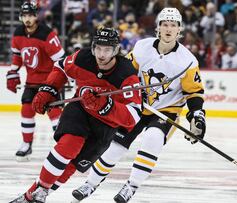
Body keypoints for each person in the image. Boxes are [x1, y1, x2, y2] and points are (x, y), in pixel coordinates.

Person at [71, 8, 206, 203]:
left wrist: (197, 116)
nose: (169, 29)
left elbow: (194, 92)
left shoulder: (187, 61)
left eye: (173, 25)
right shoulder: (142, 47)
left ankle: (131, 186)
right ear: (158, 28)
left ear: (179, 30)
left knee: (153, 138)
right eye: (165, 25)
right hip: (137, 105)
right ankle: (90, 184)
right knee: (115, 145)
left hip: (166, 111)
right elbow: (125, 72)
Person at [9, 27, 142, 203]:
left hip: (106, 125)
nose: (101, 55)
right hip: (81, 110)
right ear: (93, 47)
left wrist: (107, 106)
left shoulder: (127, 74)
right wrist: (49, 89)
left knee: (71, 166)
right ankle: (38, 193)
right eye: (98, 49)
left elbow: (133, 116)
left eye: (107, 50)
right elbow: (61, 67)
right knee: (68, 145)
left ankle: (31, 196)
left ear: (116, 50)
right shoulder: (83, 58)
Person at [6, 1, 66, 161]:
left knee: (55, 114)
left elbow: (61, 60)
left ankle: (64, 147)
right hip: (31, 82)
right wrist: (13, 71)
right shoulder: (18, 33)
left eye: (30, 15)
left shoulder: (47, 34)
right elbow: (18, 56)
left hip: (50, 82)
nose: (27, 19)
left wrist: (59, 81)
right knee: (26, 110)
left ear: (36, 16)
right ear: (21, 17)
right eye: (24, 16)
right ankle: (26, 145)